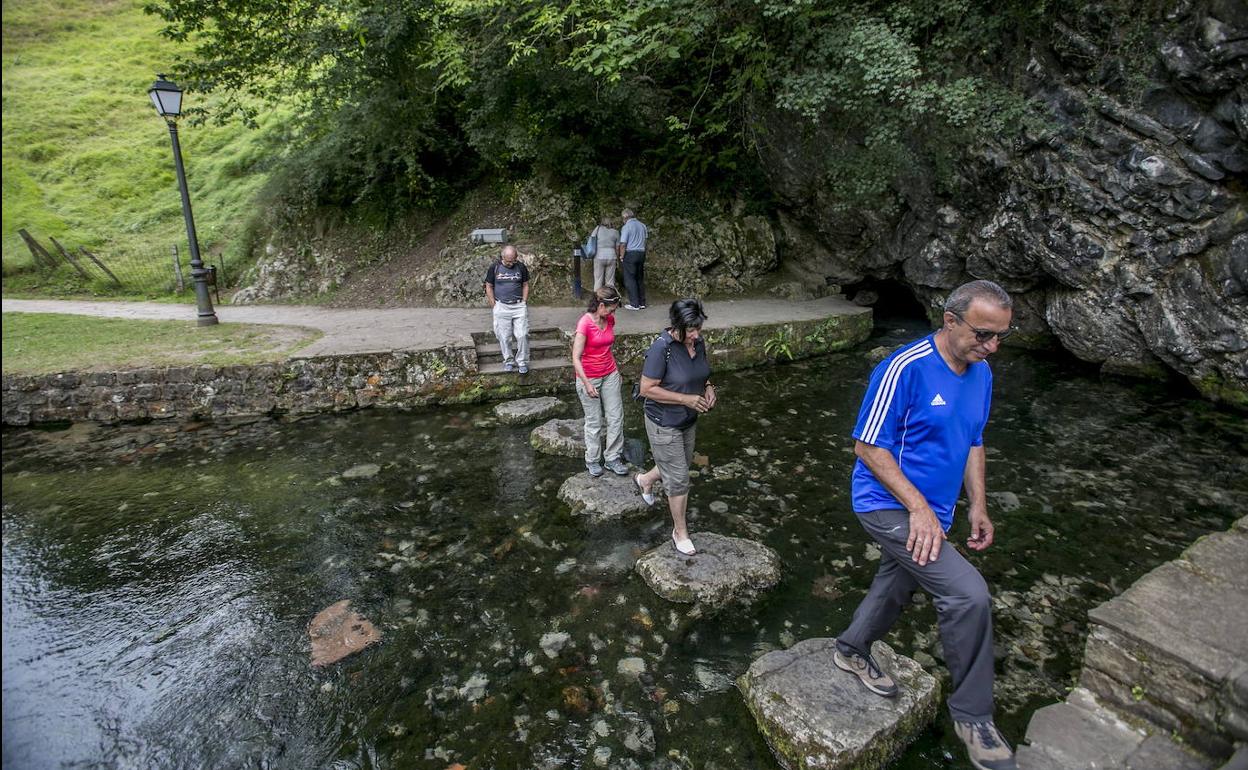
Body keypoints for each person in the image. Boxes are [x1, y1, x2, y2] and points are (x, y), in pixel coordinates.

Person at [834, 280, 1018, 770]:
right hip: (885, 504)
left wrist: (978, 505)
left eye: (1001, 336)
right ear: (950, 320)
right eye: (983, 334)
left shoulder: (981, 371)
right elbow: (868, 447)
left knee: (899, 580)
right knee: (967, 594)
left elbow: (973, 440)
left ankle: (852, 648)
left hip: (935, 511)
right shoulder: (903, 368)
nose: (991, 346)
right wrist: (918, 510)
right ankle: (973, 716)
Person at [635, 298, 716, 555]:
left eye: (698, 328)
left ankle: (645, 479)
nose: (695, 335)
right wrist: (686, 399)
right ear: (677, 326)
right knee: (679, 478)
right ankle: (679, 532)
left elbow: (701, 373)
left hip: (688, 419)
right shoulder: (662, 348)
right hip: (663, 421)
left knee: (681, 461)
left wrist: (709, 387)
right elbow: (647, 389)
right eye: (690, 330)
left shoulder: (698, 343)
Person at [572, 286, 628, 477]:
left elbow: (607, 348)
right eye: (612, 308)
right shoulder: (584, 324)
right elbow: (575, 358)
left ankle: (612, 457)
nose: (614, 312)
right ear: (601, 305)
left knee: (616, 417)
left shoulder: (610, 319)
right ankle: (593, 460)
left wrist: (616, 370)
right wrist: (586, 383)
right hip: (589, 377)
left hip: (609, 373)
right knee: (594, 421)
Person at [483, 245, 530, 374]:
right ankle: (509, 361)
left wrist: (524, 301)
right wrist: (493, 304)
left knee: (522, 334)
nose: (511, 263)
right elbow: (489, 285)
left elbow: (525, 284)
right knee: (504, 336)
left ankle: (522, 362)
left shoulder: (521, 267)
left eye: (513, 260)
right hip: (501, 306)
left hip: (519, 305)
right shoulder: (495, 267)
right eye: (508, 261)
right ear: (502, 257)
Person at [617, 208, 648, 311]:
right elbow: (645, 240)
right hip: (641, 253)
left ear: (625, 217)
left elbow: (623, 243)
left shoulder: (627, 227)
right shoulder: (642, 225)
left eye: (623, 218)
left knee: (630, 278)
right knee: (639, 278)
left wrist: (621, 256)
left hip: (630, 253)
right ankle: (642, 303)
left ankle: (634, 304)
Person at [586, 217, 620, 291]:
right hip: (612, 256)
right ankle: (609, 298)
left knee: (598, 280)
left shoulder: (597, 229)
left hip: (599, 255)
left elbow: (591, 240)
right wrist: (617, 259)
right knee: (610, 281)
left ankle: (597, 299)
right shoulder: (616, 232)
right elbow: (617, 248)